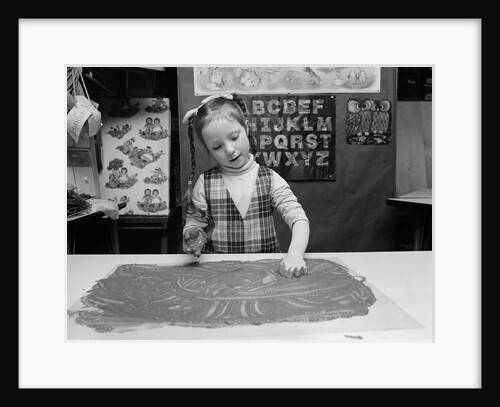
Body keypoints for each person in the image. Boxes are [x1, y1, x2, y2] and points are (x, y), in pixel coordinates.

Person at [181, 93, 310, 278]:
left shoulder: (271, 179)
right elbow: (195, 222)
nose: (229, 149)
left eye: (234, 137)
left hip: (265, 273)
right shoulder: (205, 183)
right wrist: (192, 233)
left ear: (247, 129)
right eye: (217, 147)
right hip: (219, 274)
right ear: (208, 149)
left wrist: (296, 254)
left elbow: (299, 219)